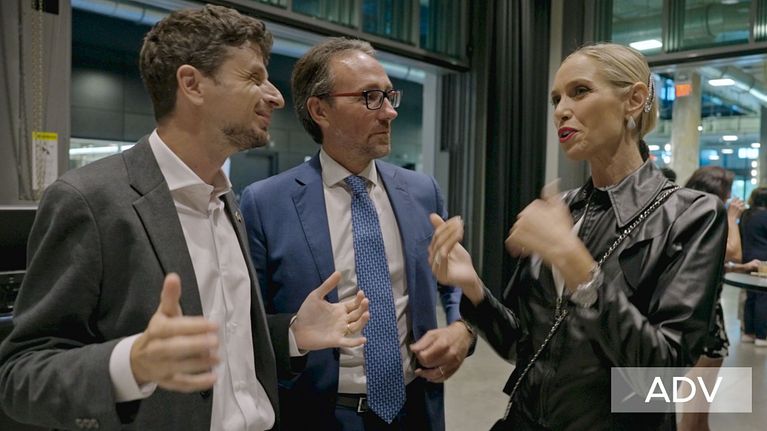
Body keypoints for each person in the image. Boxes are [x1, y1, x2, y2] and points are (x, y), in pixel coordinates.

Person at [0, 6, 369, 431]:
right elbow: (20, 376)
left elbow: (224, 341)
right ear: (192, 84)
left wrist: (294, 333)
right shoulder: (89, 200)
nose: (276, 96)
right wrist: (131, 364)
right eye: (253, 78)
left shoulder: (227, 201)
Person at [428, 43, 727, 430]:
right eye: (556, 99)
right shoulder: (563, 209)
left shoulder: (691, 214)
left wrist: (575, 265)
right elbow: (523, 345)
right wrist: (473, 288)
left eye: (580, 91)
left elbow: (661, 377)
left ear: (634, 100)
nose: (560, 111)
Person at [239, 37, 474, 430]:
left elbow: (451, 281)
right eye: (370, 97)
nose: (390, 112)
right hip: (319, 414)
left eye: (389, 96)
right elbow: (251, 323)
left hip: (416, 409)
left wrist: (461, 329)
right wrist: (297, 333)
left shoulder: (422, 191)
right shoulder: (265, 203)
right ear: (320, 110)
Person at [679, 166, 754, 431]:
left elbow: (708, 262)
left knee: (699, 413)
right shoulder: (706, 215)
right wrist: (732, 217)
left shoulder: (686, 213)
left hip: (698, 318)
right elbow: (733, 251)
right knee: (695, 413)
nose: (729, 197)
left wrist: (738, 269)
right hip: (703, 322)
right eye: (727, 192)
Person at [741, 186, 767, 347]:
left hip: (748, 258)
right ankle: (761, 335)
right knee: (763, 297)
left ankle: (748, 332)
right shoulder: (765, 216)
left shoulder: (746, 215)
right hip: (764, 260)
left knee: (751, 295)